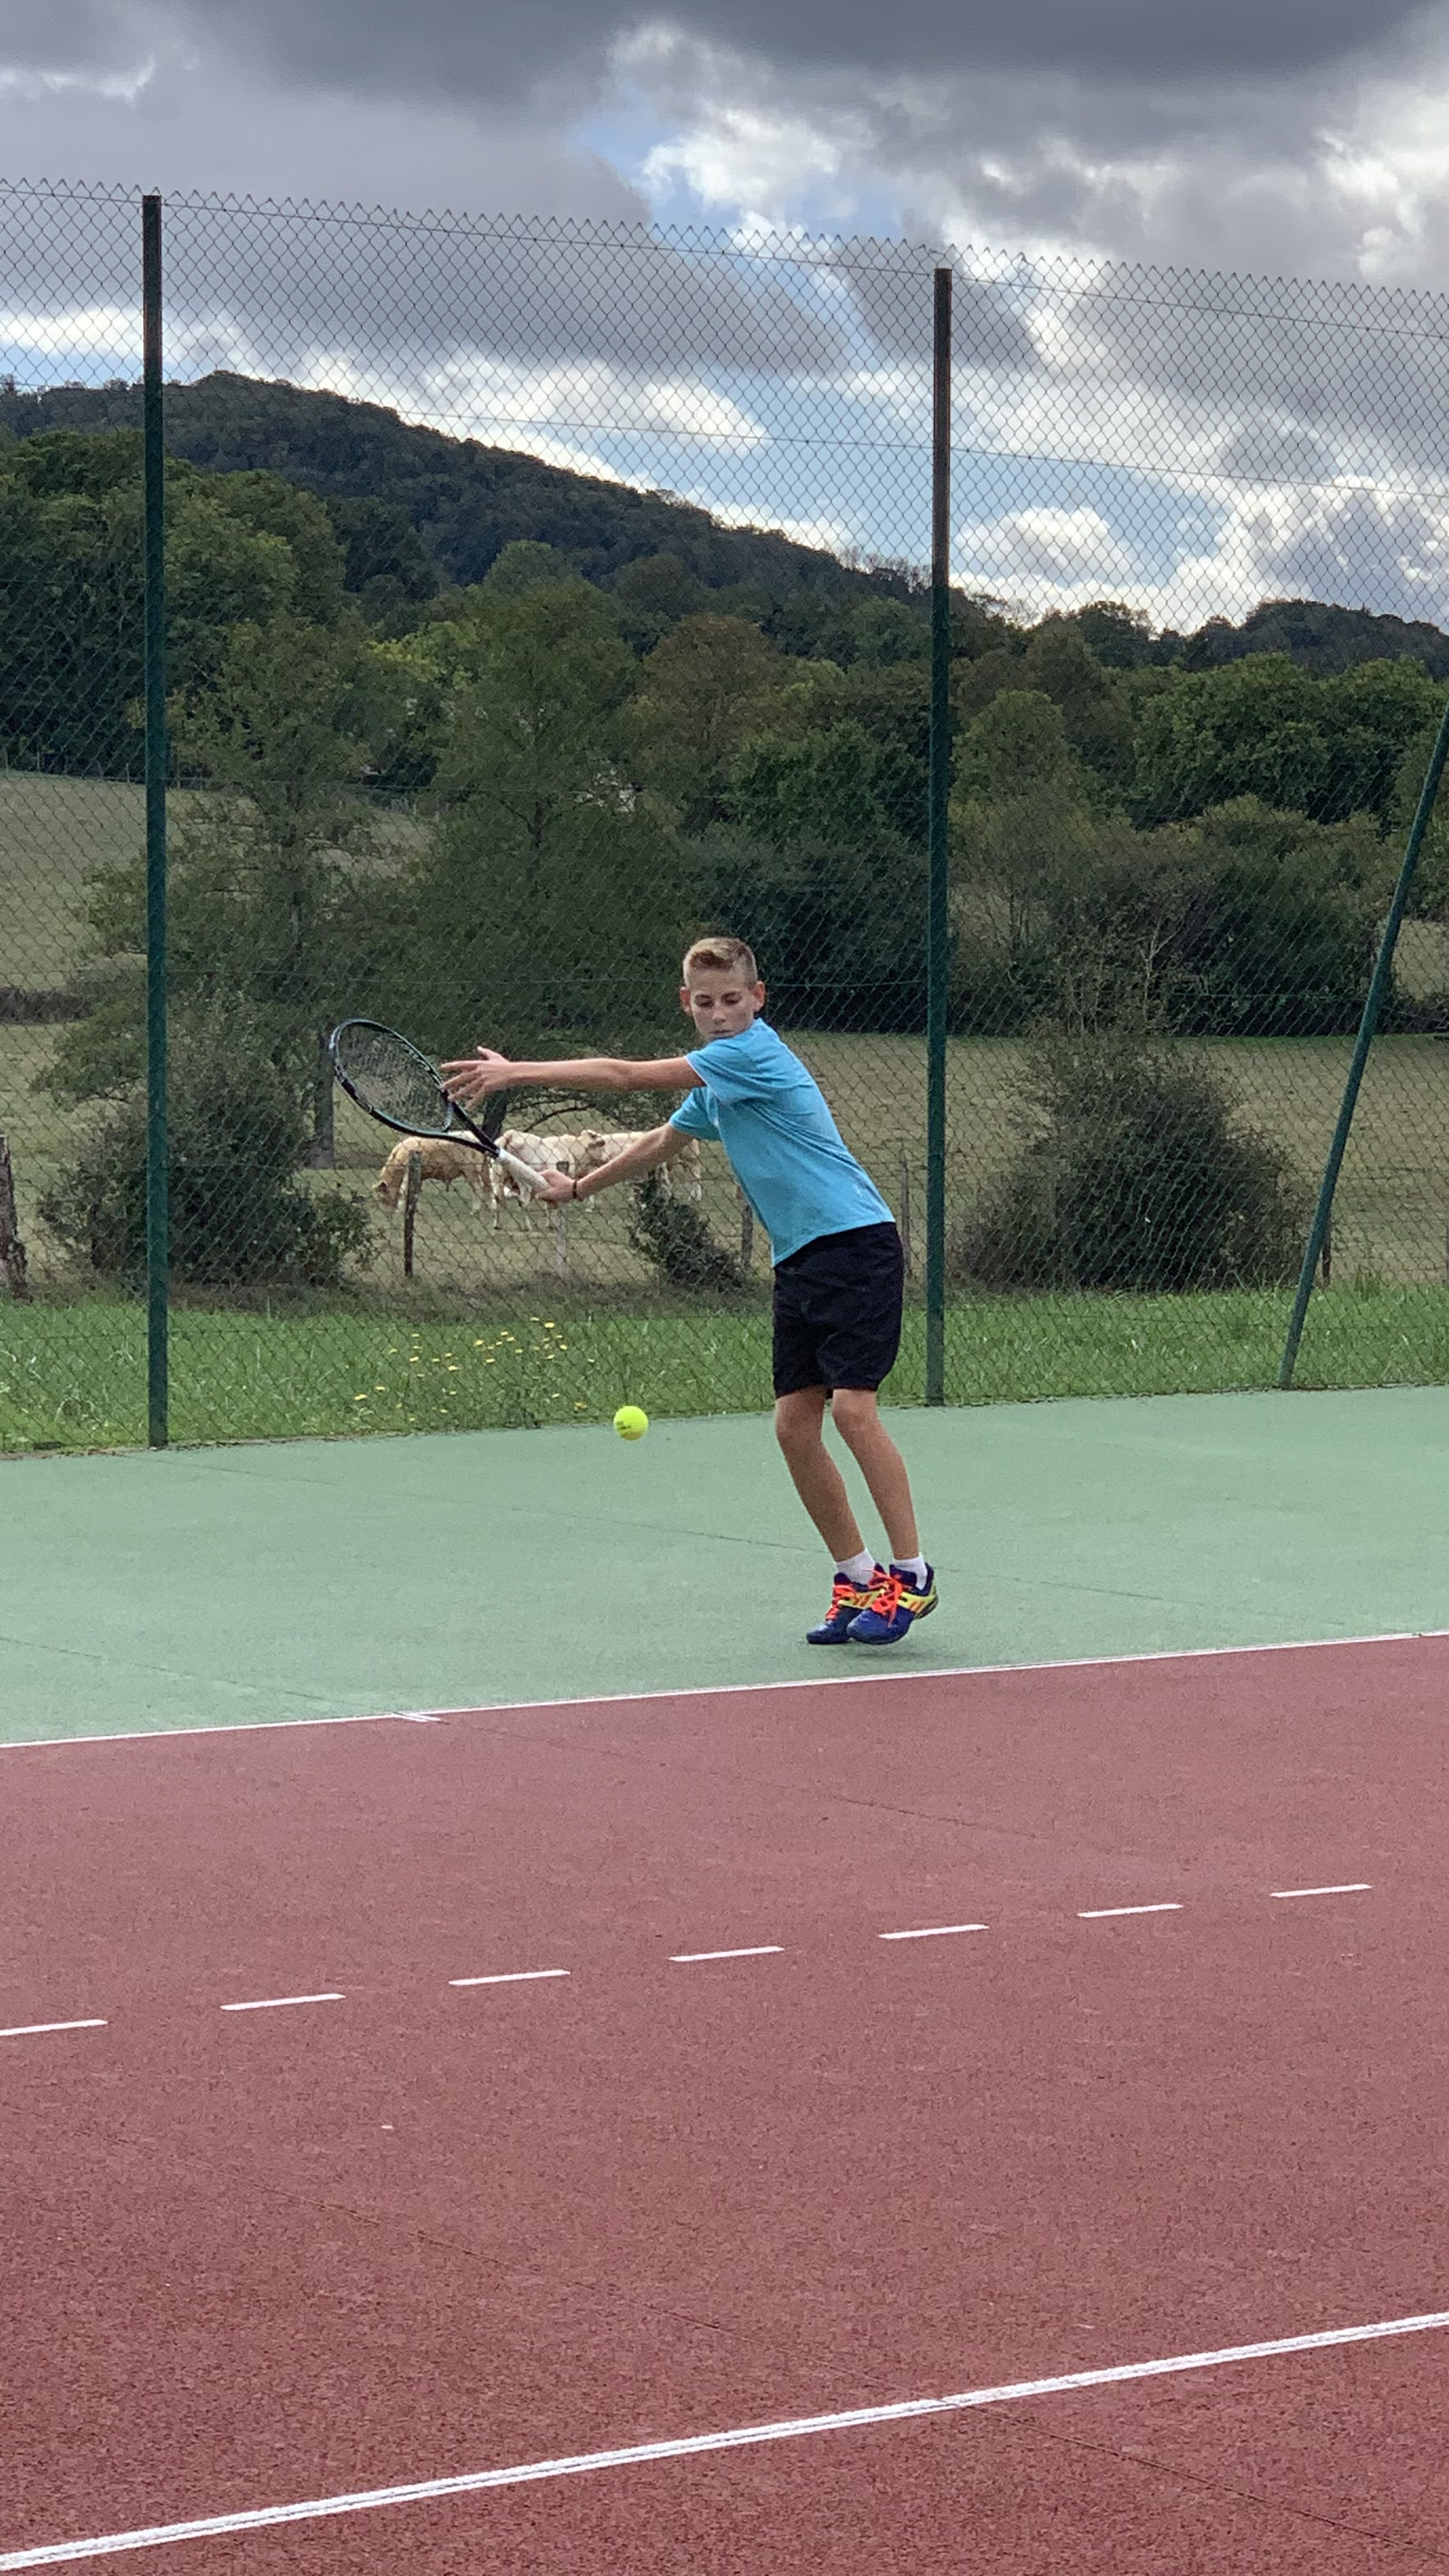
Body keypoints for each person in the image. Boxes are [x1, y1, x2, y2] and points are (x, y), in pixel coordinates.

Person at [441, 935, 937, 1646]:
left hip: (856, 1246)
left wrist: (515, 1072)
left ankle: (912, 1575)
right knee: (794, 1427)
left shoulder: (752, 1055)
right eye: (706, 1003)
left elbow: (625, 1077)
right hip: (800, 1260)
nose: (720, 1013)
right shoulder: (717, 1088)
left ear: (758, 999)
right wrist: (577, 1187)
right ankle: (856, 1577)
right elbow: (659, 1141)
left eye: (733, 999)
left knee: (854, 1412)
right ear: (687, 1004)